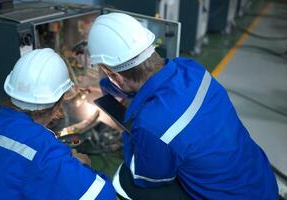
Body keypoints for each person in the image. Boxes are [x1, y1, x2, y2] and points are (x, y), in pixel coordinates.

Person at [87, 13, 278, 200]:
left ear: (116, 76)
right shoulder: (192, 68)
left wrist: (132, 132)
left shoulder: (151, 126)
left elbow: (147, 179)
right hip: (262, 182)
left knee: (124, 179)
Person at [0, 48, 116, 200]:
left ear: (11, 94)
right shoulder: (45, 153)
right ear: (59, 104)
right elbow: (103, 196)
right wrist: (79, 167)